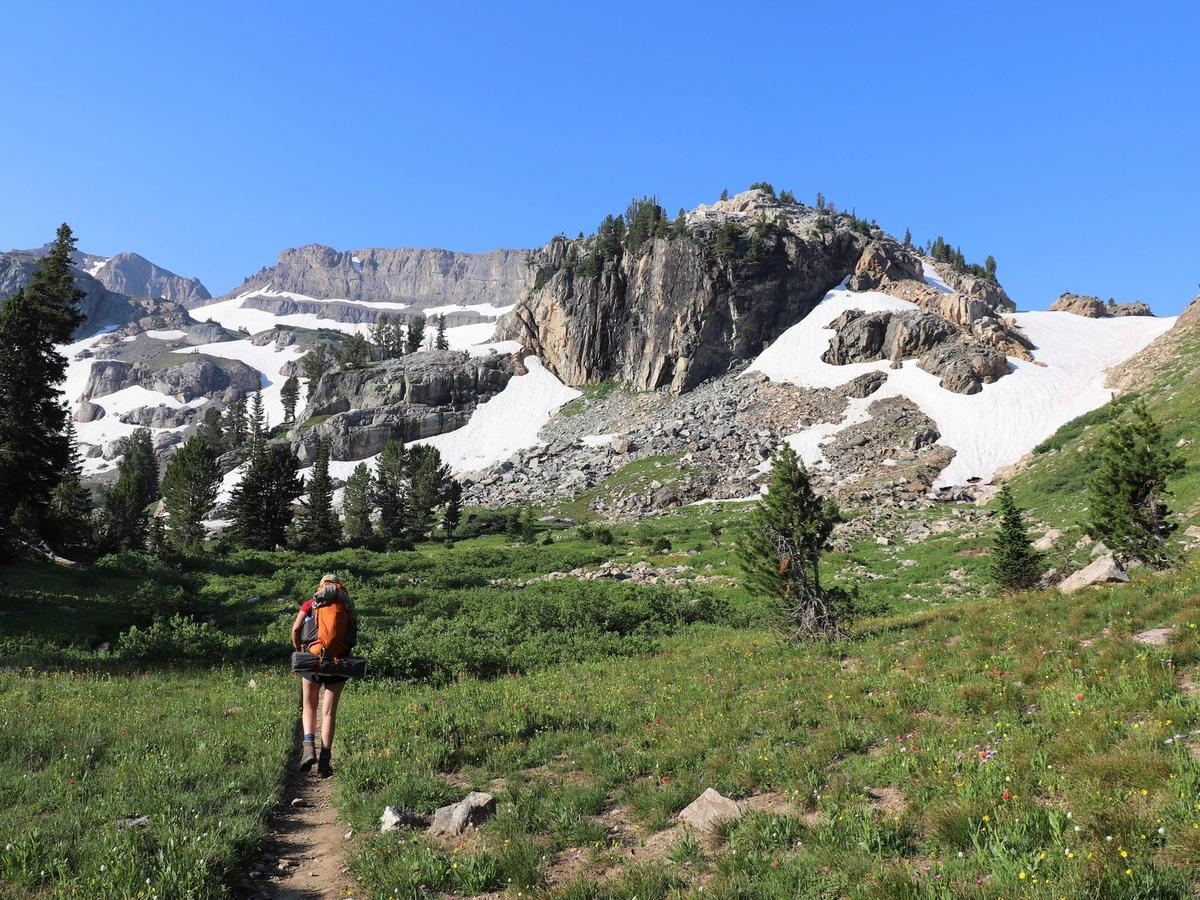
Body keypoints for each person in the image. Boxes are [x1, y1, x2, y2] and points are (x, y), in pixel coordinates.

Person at [291, 573, 355, 777]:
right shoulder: (347, 605)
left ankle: (309, 748)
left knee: (309, 706)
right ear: (339, 587)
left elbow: (296, 628)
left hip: (312, 659)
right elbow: (353, 635)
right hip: (338, 663)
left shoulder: (311, 603)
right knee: (328, 713)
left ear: (321, 586)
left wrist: (300, 648)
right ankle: (325, 762)